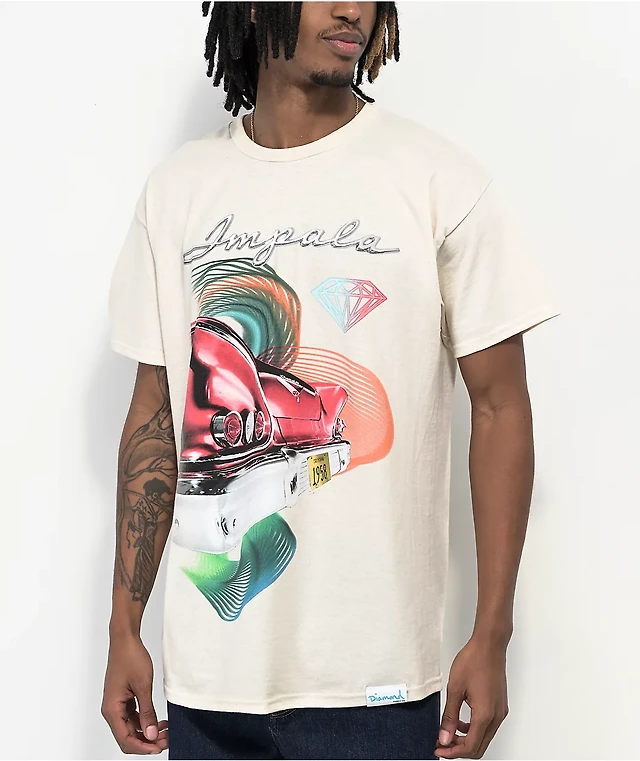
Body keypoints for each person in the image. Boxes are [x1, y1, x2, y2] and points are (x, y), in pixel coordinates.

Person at [101, 2, 558, 759]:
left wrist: (492, 634)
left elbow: (501, 405)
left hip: (377, 689)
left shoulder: (440, 181)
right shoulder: (177, 191)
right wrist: (124, 626)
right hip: (210, 688)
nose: (353, 10)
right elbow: (154, 412)